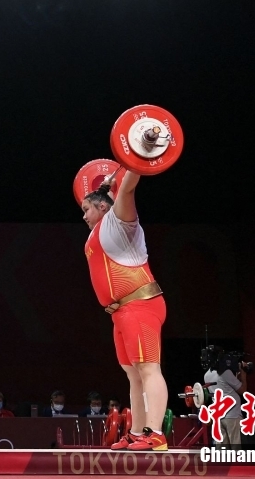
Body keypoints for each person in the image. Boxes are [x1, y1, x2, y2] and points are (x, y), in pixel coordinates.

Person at [80, 171, 168, 451]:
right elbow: (112, 190)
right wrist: (107, 183)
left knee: (149, 369)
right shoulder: (98, 232)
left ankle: (156, 434)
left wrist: (130, 165)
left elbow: (129, 187)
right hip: (121, 312)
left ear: (103, 207)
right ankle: (138, 432)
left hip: (139, 305)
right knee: (133, 374)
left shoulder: (119, 221)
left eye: (86, 209)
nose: (83, 216)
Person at [202, 346, 247, 450]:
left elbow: (225, 385)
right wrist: (243, 376)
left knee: (222, 452)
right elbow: (243, 390)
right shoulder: (224, 372)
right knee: (237, 450)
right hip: (232, 416)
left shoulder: (207, 375)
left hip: (219, 416)